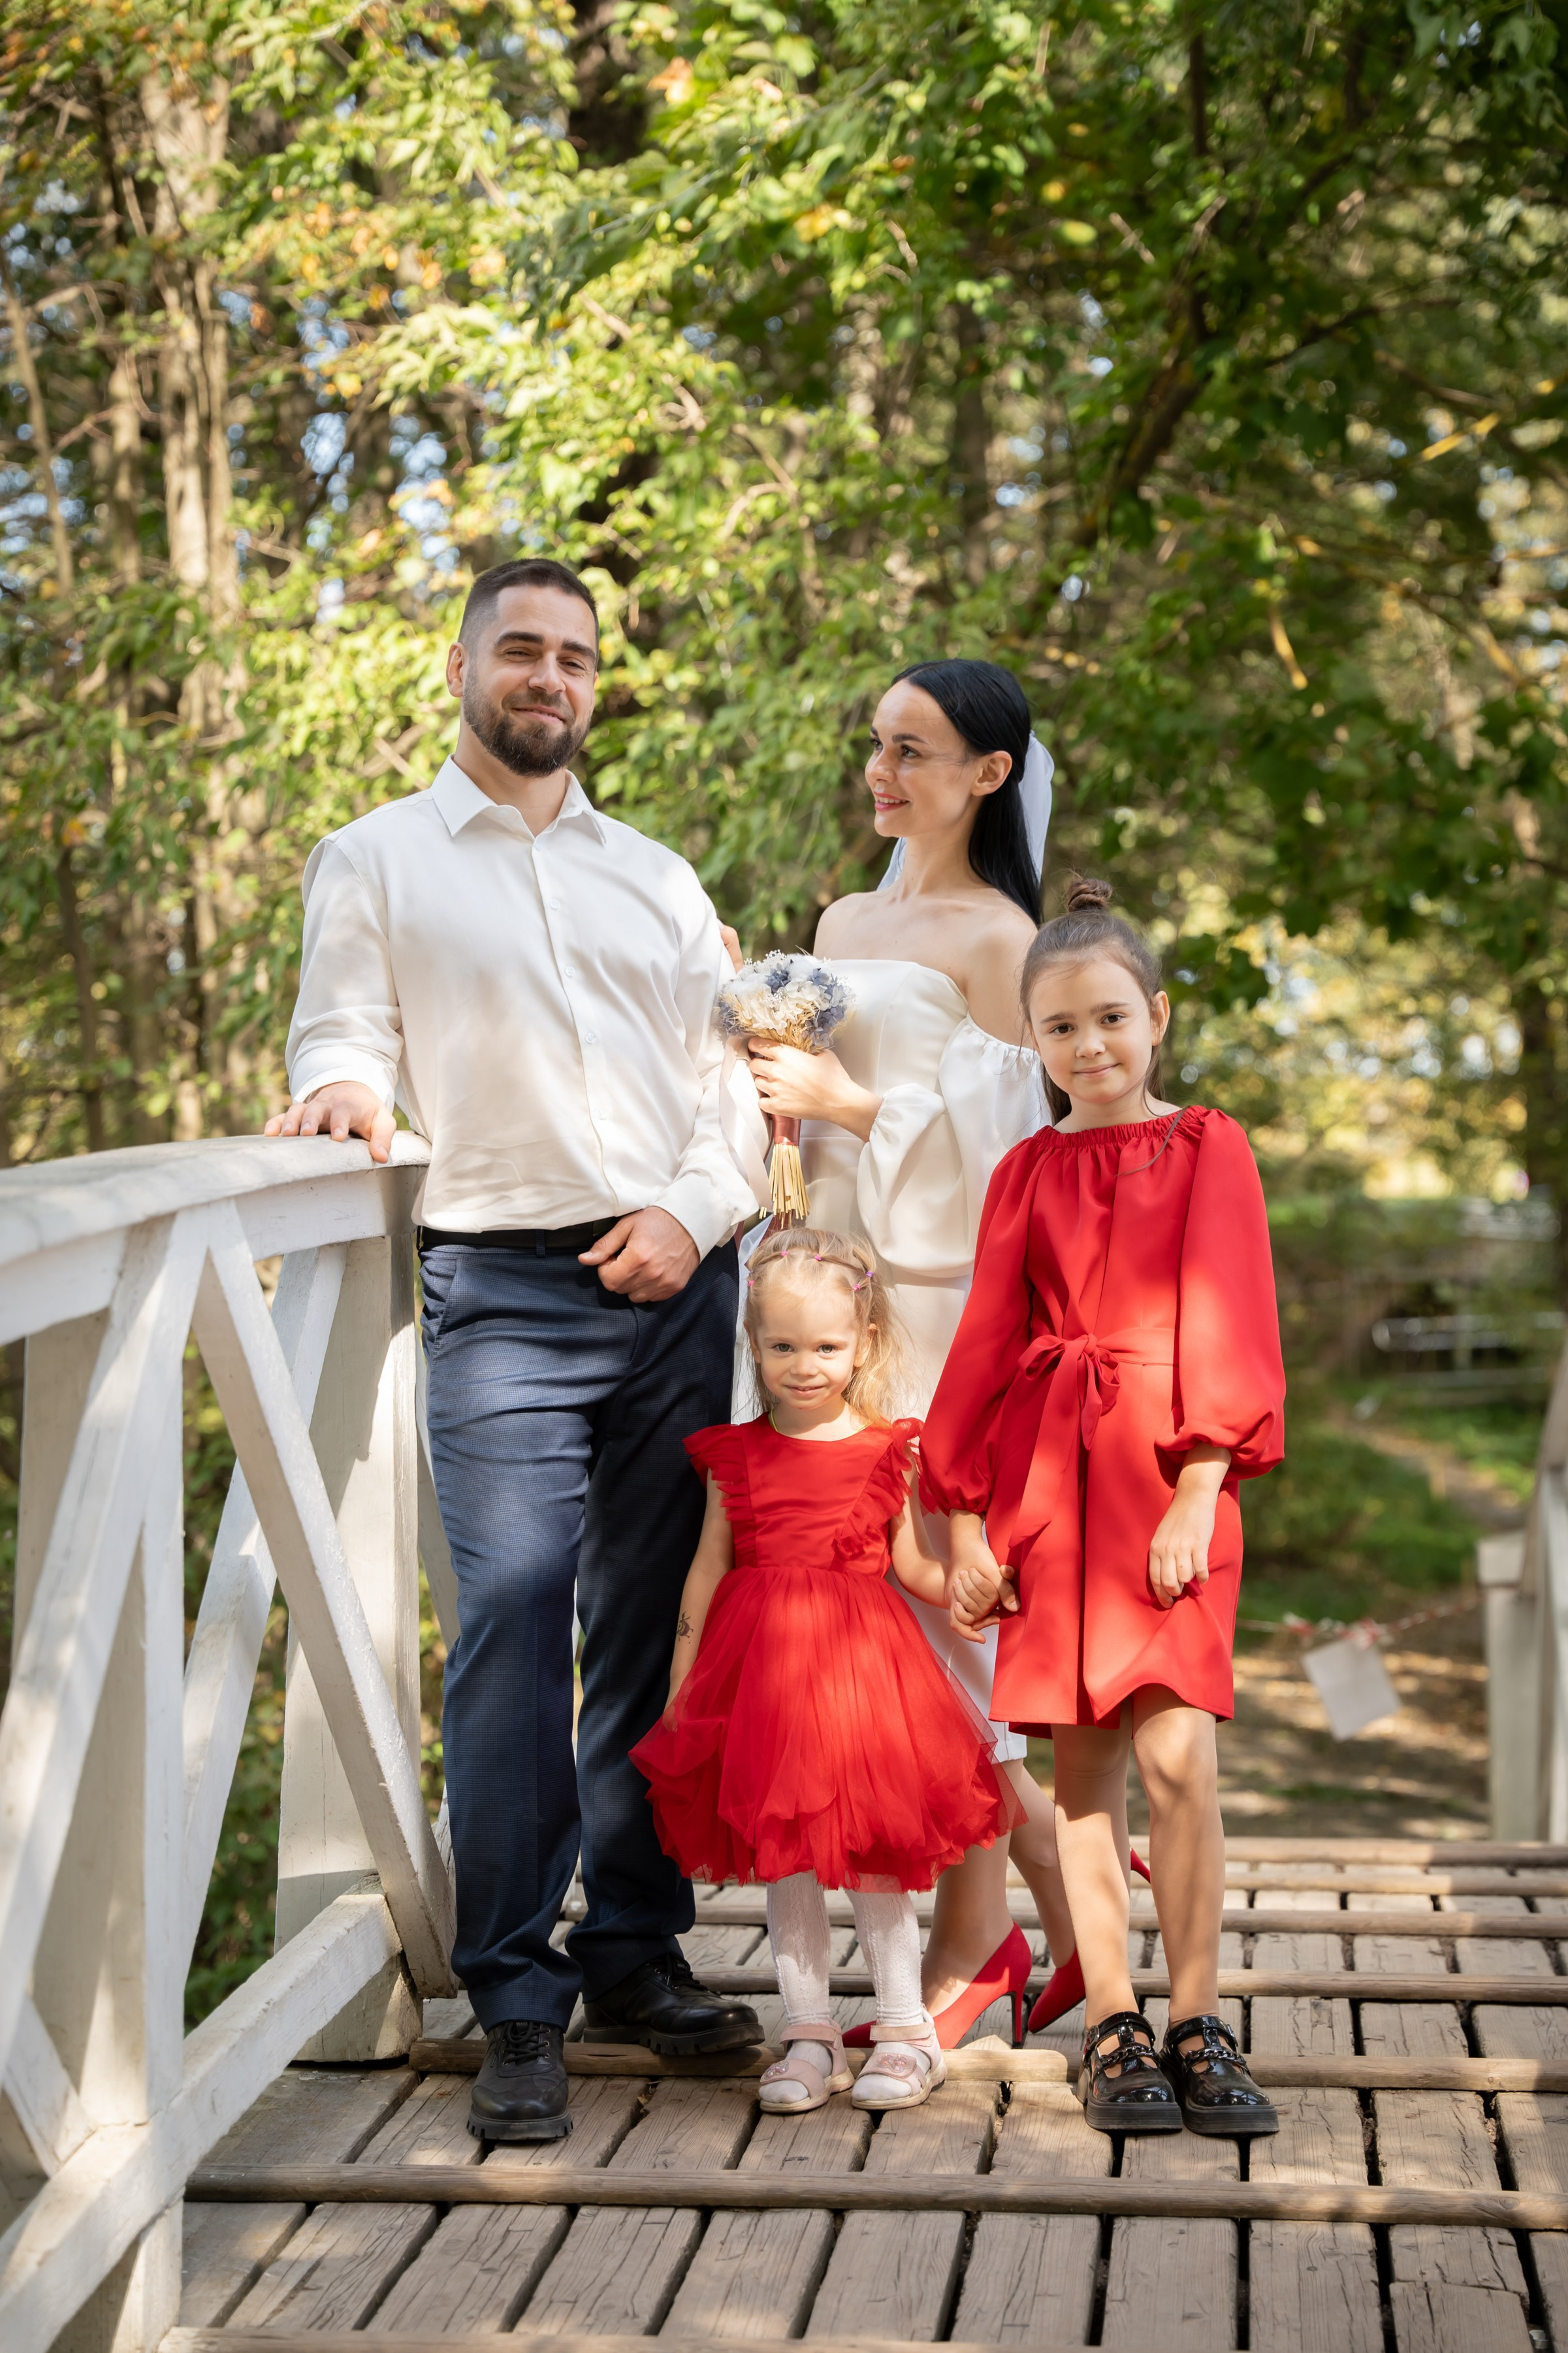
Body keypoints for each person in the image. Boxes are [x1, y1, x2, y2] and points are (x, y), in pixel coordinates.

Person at [264, 556, 769, 2144]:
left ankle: (631, 1948)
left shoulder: (660, 876)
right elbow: (341, 1024)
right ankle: (513, 1991)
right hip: (501, 1285)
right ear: (467, 665)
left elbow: (731, 1084)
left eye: (574, 656)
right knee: (507, 1617)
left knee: (637, 1631)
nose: (548, 675)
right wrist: (345, 1089)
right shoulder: (377, 856)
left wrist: (695, 1214)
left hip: (674, 1278)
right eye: (522, 650)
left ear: (594, 684)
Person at [743, 658, 1126, 2049]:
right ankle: (1023, 1890)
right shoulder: (843, 915)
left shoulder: (997, 937)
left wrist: (851, 1099)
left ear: (988, 773)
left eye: (913, 748)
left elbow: (1013, 1155)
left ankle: (985, 1936)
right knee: (865, 1611)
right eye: (875, 744)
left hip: (936, 1299)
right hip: (824, 1285)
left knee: (937, 1619)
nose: (881, 771)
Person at [924, 877, 1286, 2135]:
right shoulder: (1023, 1168)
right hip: (1051, 1487)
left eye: (1111, 1018)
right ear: (1034, 1041)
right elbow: (983, 1340)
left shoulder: (1207, 1146)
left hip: (1167, 1479)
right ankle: (1115, 2022)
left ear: (1158, 1017)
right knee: (1079, 1771)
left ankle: (1197, 2015)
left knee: (1178, 1752)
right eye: (1061, 1027)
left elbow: (1231, 1315)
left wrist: (1199, 1490)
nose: (1089, 1046)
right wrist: (966, 1521)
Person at [632, 1229, 1018, 2115]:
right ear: (754, 1345)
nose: (804, 1365)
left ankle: (903, 2031)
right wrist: (682, 1680)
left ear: (864, 1342)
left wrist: (973, 1588)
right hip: (759, 1680)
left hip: (860, 1675)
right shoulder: (732, 1453)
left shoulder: (889, 1447)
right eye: (781, 1346)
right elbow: (705, 1567)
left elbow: (912, 1567)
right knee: (788, 1866)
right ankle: (805, 2032)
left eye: (826, 1346)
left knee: (876, 1861)